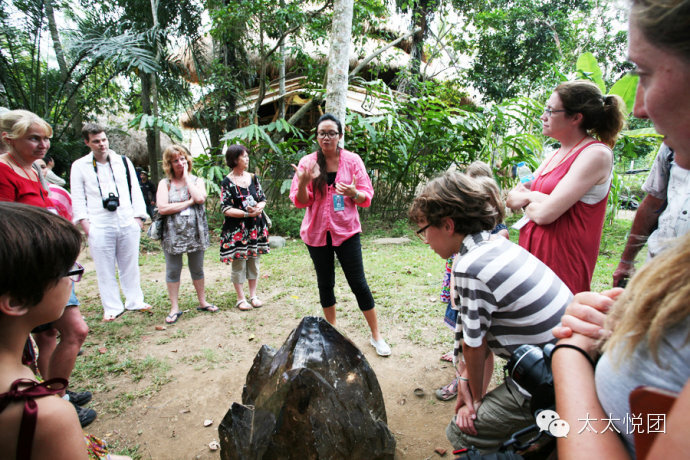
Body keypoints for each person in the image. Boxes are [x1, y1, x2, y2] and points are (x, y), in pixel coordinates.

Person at [409, 171, 572, 453]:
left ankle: (544, 442)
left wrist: (474, 400)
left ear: (447, 225)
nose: (425, 242)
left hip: (552, 378)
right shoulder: (497, 244)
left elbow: (475, 345)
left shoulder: (470, 266)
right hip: (566, 360)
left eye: (424, 231)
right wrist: (464, 380)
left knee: (464, 430)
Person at [0, 202, 130, 460]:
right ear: (15, 301)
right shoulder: (46, 416)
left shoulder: (16, 369)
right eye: (67, 271)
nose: (72, 280)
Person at [0, 109, 94, 427]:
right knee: (75, 330)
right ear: (8, 139)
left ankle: (51, 390)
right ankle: (56, 400)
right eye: (34, 138)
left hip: (51, 261)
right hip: (30, 267)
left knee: (50, 334)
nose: (43, 145)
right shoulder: (4, 172)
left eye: (45, 139)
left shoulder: (34, 169)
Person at [506, 80, 626, 293]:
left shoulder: (595, 154)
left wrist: (532, 198)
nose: (543, 117)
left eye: (550, 111)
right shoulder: (553, 155)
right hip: (530, 260)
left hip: (562, 268)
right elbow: (512, 198)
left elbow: (545, 215)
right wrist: (538, 199)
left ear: (576, 117)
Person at [289, 113, 390, 356]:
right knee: (326, 283)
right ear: (317, 136)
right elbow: (301, 202)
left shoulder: (353, 161)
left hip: (347, 232)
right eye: (322, 133)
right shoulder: (308, 163)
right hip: (316, 234)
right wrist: (304, 183)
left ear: (340, 136)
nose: (326, 137)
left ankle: (376, 336)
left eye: (331, 133)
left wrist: (355, 192)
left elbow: (366, 199)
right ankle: (332, 334)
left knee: (358, 283)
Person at [70, 123, 151, 322]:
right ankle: (112, 306)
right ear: (87, 142)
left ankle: (134, 300)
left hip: (126, 219)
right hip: (99, 222)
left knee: (130, 264)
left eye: (104, 140)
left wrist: (138, 217)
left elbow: (135, 189)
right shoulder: (80, 166)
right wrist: (86, 225)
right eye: (96, 141)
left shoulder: (122, 161)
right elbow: (78, 198)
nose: (101, 144)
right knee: (105, 268)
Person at [157, 145, 214, 324]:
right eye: (176, 160)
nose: (180, 163)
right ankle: (174, 307)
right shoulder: (164, 184)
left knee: (197, 268)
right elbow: (163, 208)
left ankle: (202, 301)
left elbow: (200, 199)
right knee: (173, 270)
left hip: (195, 232)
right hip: (173, 234)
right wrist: (187, 202)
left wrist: (187, 178)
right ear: (169, 164)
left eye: (183, 159)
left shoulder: (197, 180)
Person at [220, 144, 270, 310]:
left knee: (254, 261)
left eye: (247, 156)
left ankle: (253, 295)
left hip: (255, 227)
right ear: (234, 160)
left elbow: (262, 198)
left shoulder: (253, 178)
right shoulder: (227, 182)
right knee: (239, 262)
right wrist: (247, 214)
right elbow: (226, 208)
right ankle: (241, 298)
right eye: (244, 157)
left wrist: (259, 208)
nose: (247, 159)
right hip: (237, 230)